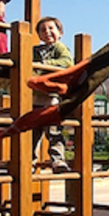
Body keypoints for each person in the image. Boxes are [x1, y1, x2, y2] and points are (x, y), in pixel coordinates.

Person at [32, 17, 74, 173]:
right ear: (39, 35)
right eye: (43, 30)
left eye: (51, 29)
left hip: (52, 98)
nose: (47, 32)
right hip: (35, 98)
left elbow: (67, 62)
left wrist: (44, 65)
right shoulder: (35, 51)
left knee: (54, 131)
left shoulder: (60, 48)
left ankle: (57, 161)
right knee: (32, 133)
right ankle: (29, 161)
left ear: (60, 33)